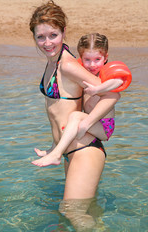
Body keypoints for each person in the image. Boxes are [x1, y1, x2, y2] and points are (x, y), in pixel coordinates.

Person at [29, 0, 120, 229]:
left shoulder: (67, 64)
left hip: (85, 150)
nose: (47, 42)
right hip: (71, 150)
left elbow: (112, 95)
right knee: (83, 214)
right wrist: (54, 145)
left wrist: (87, 122)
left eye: (53, 35)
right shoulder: (53, 62)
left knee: (71, 213)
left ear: (63, 32)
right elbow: (56, 112)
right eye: (41, 37)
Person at [32, 33, 123, 167]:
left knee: (75, 116)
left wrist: (98, 90)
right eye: (87, 60)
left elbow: (118, 82)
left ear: (105, 58)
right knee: (65, 115)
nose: (92, 65)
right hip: (90, 124)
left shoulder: (105, 76)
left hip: (104, 127)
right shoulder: (84, 76)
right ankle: (54, 147)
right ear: (81, 58)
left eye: (97, 59)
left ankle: (56, 154)